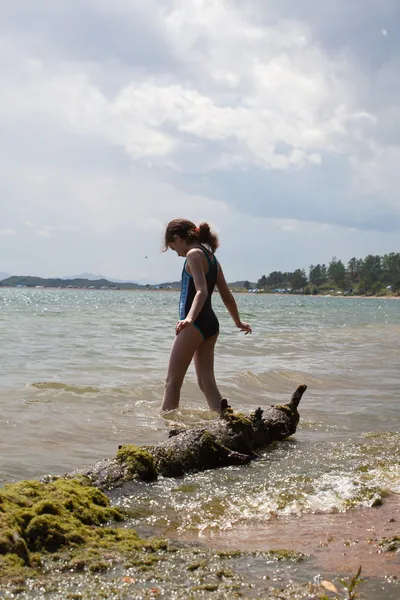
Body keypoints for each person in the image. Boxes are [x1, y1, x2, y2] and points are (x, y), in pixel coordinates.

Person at [162, 218, 252, 413]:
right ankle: (227, 421)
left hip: (195, 324)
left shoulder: (193, 254)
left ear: (178, 238)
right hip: (211, 324)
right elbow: (227, 296)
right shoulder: (211, 257)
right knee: (206, 382)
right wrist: (237, 321)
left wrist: (189, 319)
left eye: (172, 247)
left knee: (172, 382)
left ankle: (166, 430)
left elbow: (201, 291)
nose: (177, 254)